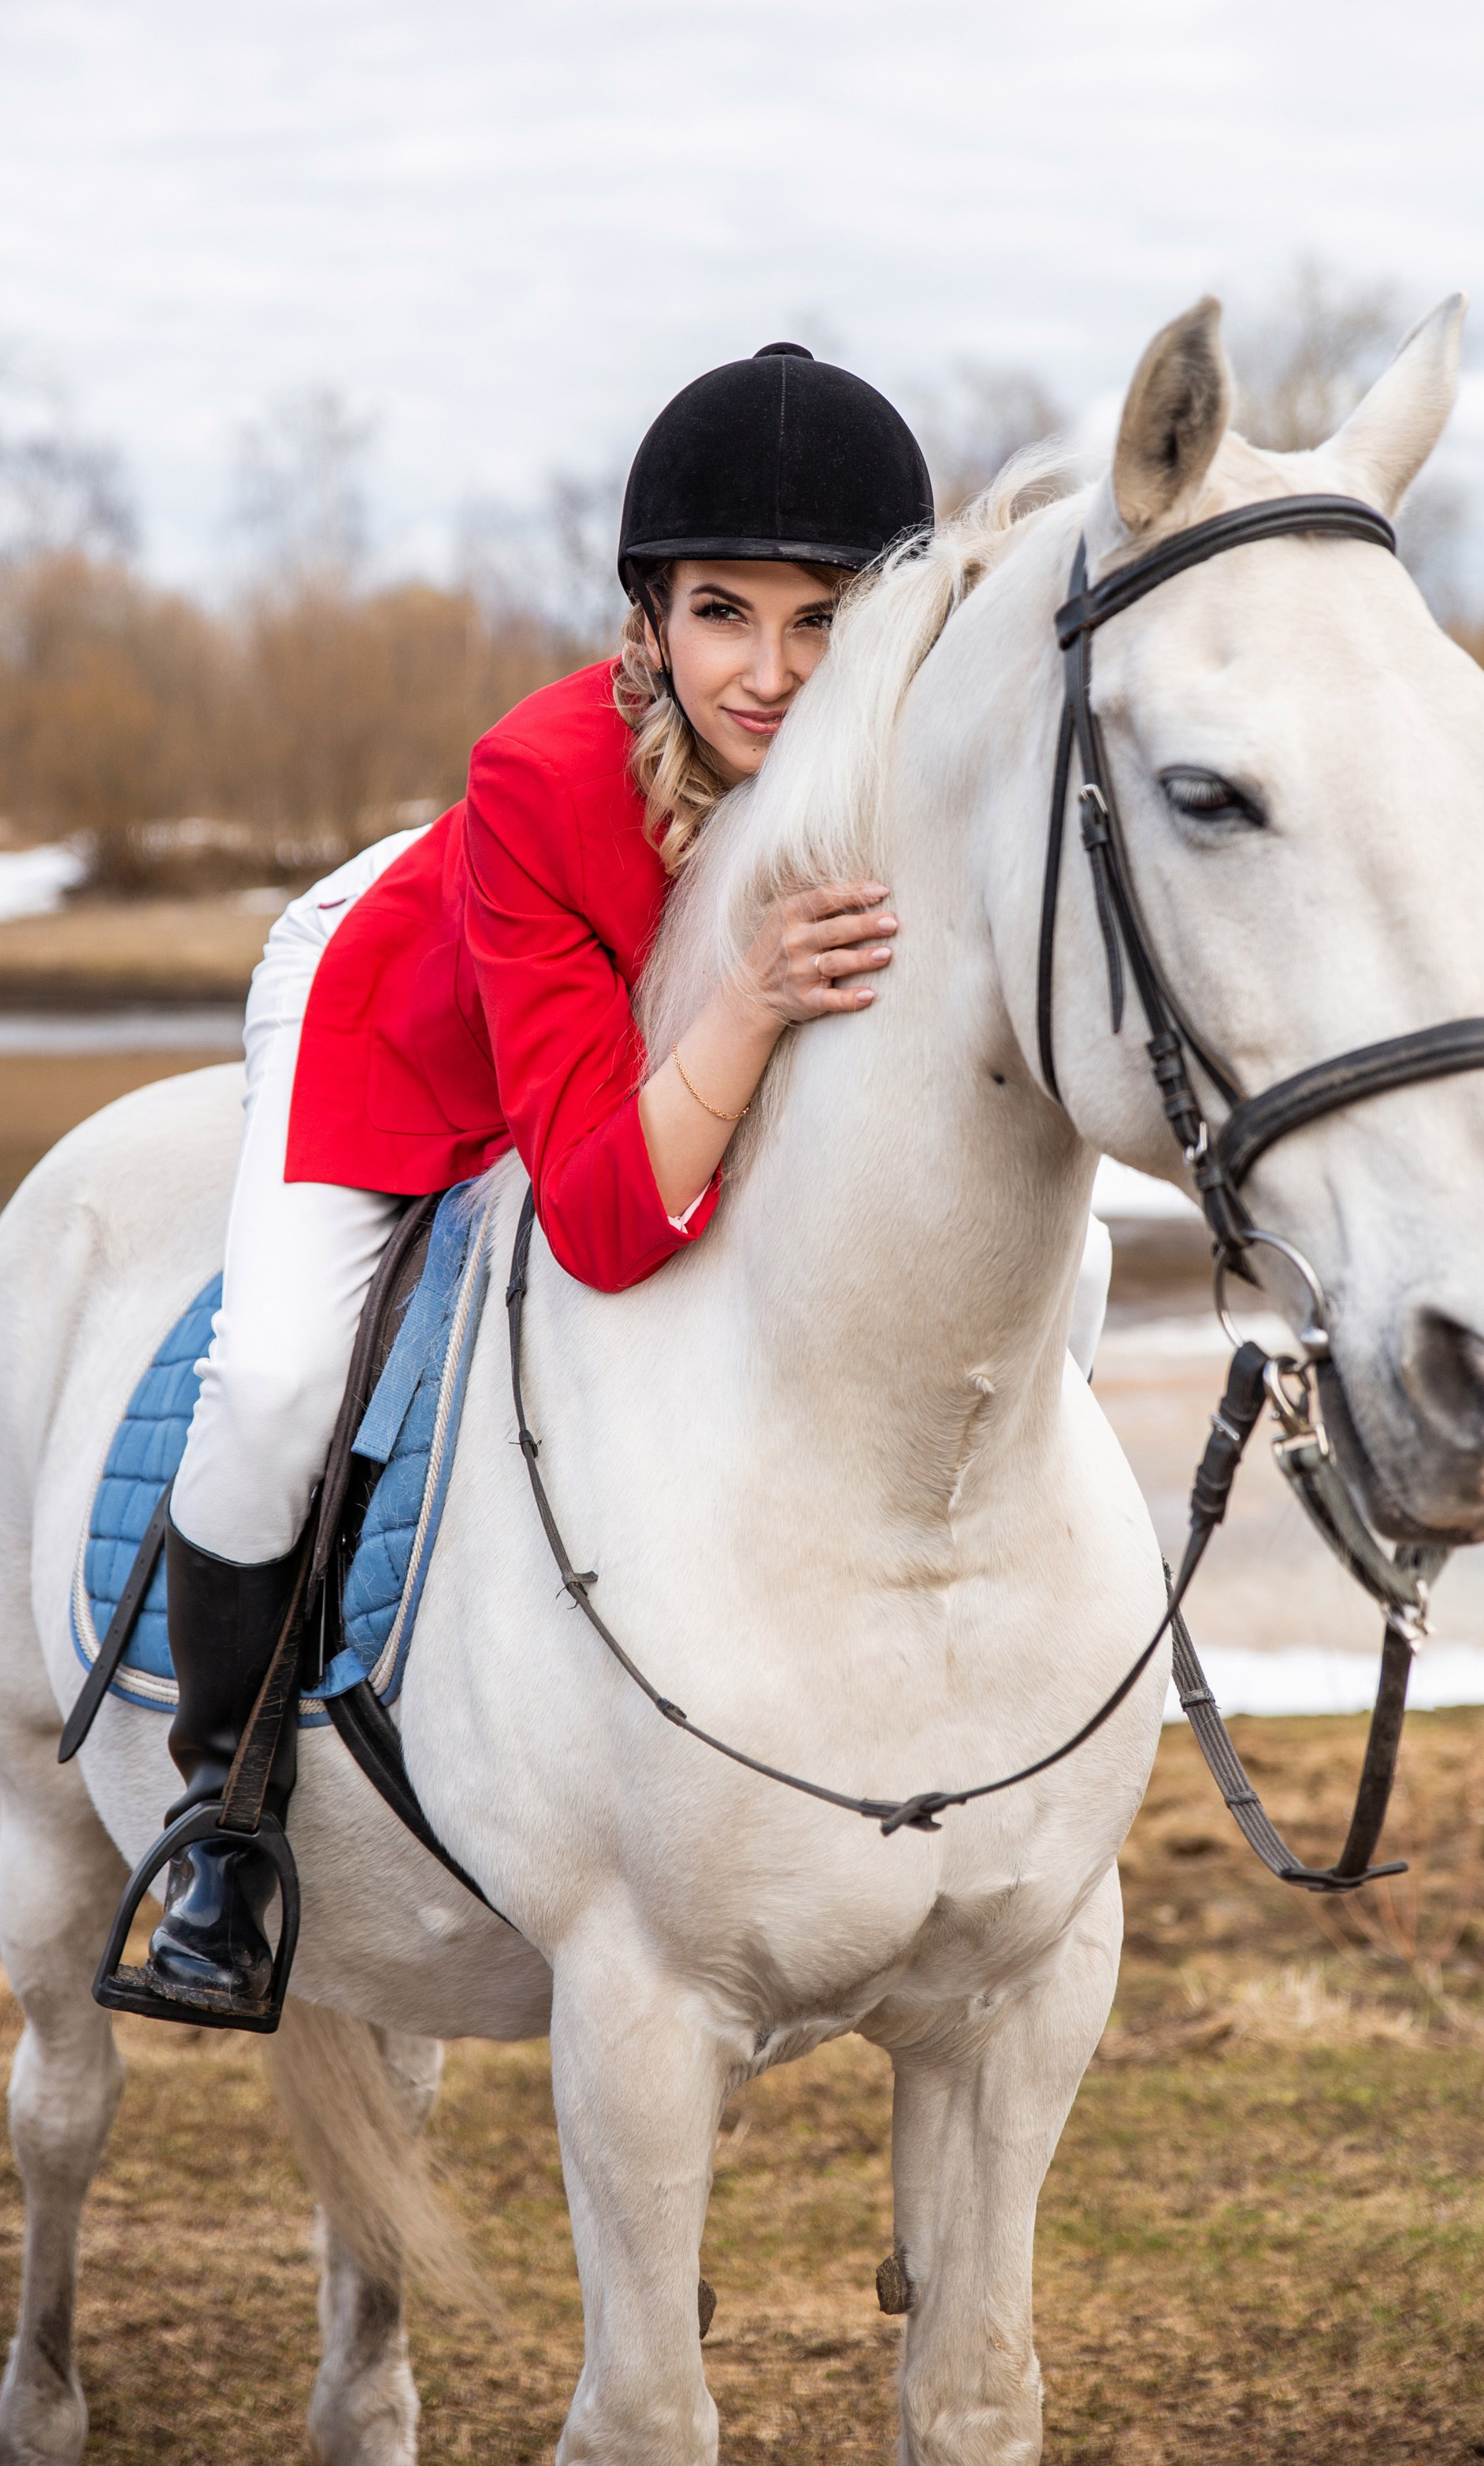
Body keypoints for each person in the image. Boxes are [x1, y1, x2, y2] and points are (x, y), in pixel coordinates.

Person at [131, 344, 937, 2024]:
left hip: (625, 1028)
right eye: (725, 611)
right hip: (398, 998)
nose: (774, 676)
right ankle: (223, 1825)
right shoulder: (541, 776)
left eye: (823, 620)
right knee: (277, 1380)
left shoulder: (905, 777)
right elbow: (598, 1217)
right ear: (647, 620)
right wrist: (750, 998)